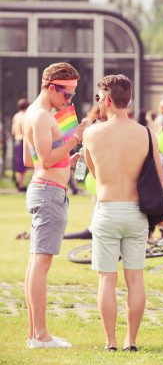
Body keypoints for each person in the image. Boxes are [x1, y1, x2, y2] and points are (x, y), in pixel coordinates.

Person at [83, 74, 159, 352]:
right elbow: (157, 176)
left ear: (108, 100)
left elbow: (93, 173)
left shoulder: (91, 133)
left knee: (107, 278)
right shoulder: (146, 133)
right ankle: (132, 341)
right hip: (137, 211)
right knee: (135, 278)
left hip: (107, 209)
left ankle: (111, 342)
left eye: (99, 98)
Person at [22, 62, 88, 348]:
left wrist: (68, 160)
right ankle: (40, 335)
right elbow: (46, 160)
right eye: (67, 95)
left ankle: (34, 333)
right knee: (41, 263)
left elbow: (31, 159)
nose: (69, 101)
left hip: (45, 188)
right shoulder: (40, 117)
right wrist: (75, 138)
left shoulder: (34, 115)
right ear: (51, 88)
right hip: (48, 192)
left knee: (36, 263)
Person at [11, 98, 29, 191]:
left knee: (19, 164)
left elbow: (13, 131)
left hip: (16, 140)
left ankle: (19, 182)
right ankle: (20, 185)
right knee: (24, 164)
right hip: (23, 141)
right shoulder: (25, 116)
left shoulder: (16, 116)